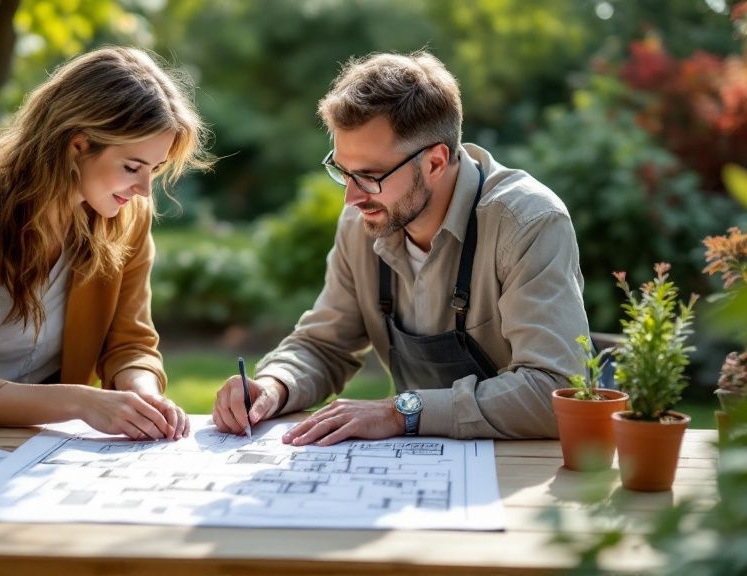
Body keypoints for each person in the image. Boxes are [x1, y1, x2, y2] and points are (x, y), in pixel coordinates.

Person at [212, 51, 589, 445]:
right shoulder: (364, 223)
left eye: (371, 176)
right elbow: (324, 344)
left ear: (435, 163)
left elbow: (556, 391)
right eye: (343, 172)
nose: (351, 199)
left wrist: (400, 412)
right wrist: (274, 385)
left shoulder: (528, 223)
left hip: (517, 472)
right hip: (417, 467)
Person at [0, 47, 210, 439]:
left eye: (154, 169)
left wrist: (142, 396)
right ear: (77, 145)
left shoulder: (125, 216)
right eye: (132, 167)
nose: (144, 190)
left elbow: (131, 344)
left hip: (38, 444)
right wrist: (82, 402)